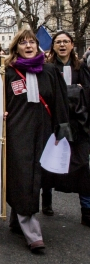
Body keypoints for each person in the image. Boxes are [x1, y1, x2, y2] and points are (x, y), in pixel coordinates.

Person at [4, 29, 71, 253]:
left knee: (35, 176)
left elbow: (60, 101)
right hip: (18, 132)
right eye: (23, 43)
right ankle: (33, 233)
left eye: (31, 42)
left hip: (43, 131)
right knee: (23, 176)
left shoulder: (50, 71)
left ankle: (17, 218)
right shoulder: (8, 73)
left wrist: (62, 128)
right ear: (16, 48)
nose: (28, 45)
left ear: (37, 45)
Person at [41, 31, 90, 227]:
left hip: (79, 124)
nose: (62, 45)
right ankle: (47, 200)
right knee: (50, 163)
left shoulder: (81, 67)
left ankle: (86, 210)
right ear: (53, 46)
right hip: (54, 123)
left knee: (82, 168)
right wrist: (73, 91)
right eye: (58, 42)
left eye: (66, 42)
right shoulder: (48, 69)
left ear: (72, 45)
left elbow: (86, 92)